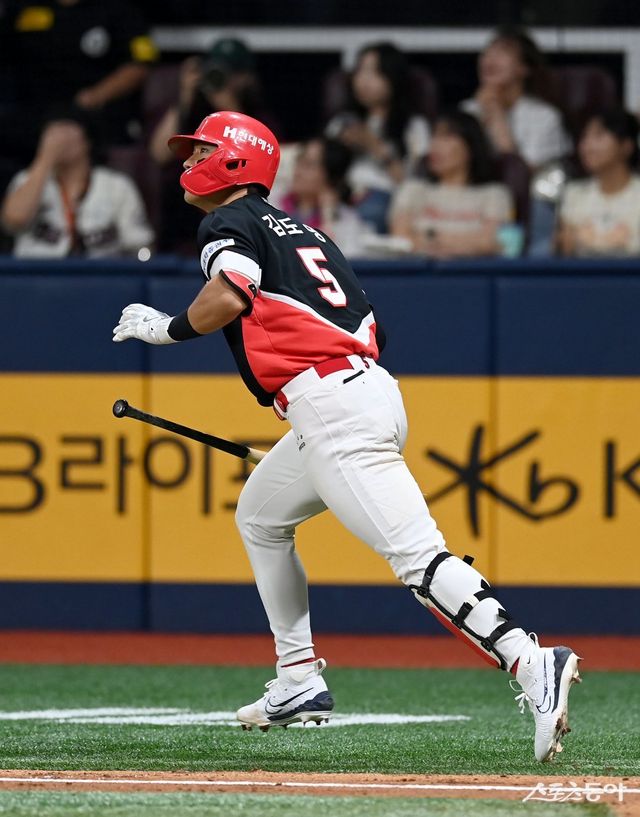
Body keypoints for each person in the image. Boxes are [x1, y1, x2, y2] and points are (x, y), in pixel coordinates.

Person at [112, 110, 581, 762]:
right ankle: (298, 678)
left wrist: (165, 329)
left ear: (236, 161)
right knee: (261, 516)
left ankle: (532, 660)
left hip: (332, 405)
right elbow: (369, 326)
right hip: (358, 393)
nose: (188, 162)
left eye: (201, 150)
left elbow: (231, 294)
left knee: (418, 558)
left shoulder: (228, 222)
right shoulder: (309, 232)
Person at [149, 37, 277, 253]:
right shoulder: (191, 110)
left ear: (246, 78)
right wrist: (184, 96)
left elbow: (264, 165)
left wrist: (228, 108)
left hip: (238, 229)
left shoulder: (257, 118)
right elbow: (159, 153)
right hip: (184, 228)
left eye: (230, 72)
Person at [0, 0, 158, 150]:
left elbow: (140, 63)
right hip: (30, 111)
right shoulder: (23, 6)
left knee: (67, 135)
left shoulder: (118, 8)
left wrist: (94, 96)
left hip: (90, 113)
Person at [1, 107, 154, 258]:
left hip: (102, 272)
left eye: (66, 133)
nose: (59, 141)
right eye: (52, 135)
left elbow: (141, 247)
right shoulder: (26, 179)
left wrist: (138, 263)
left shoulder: (117, 186)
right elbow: (14, 221)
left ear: (87, 141)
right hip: (37, 271)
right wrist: (45, 158)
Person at [326, 42, 431, 233]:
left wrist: (374, 146)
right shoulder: (342, 122)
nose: (363, 81)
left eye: (374, 72)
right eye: (360, 71)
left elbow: (412, 186)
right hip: (342, 195)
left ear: (393, 77)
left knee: (371, 209)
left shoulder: (414, 127)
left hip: (386, 199)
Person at [390, 111, 513, 258]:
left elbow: (490, 243)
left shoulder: (494, 194)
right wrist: (469, 241)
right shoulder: (413, 190)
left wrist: (427, 235)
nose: (434, 145)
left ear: (471, 145)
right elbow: (401, 240)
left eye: (446, 137)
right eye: (433, 137)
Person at [461, 29, 570, 170]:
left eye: (502, 52)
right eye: (487, 53)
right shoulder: (467, 110)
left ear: (524, 67)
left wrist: (497, 116)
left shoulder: (545, 117)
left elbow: (524, 174)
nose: (490, 59)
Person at [557, 109, 640, 257]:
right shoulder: (574, 193)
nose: (587, 146)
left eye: (599, 136)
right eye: (584, 137)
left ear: (626, 146)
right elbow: (564, 248)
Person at [280, 137, 373, 258]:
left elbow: (345, 261)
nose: (298, 171)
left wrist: (328, 217)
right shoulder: (271, 203)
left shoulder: (346, 221)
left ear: (330, 176)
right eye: (299, 161)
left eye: (308, 165)